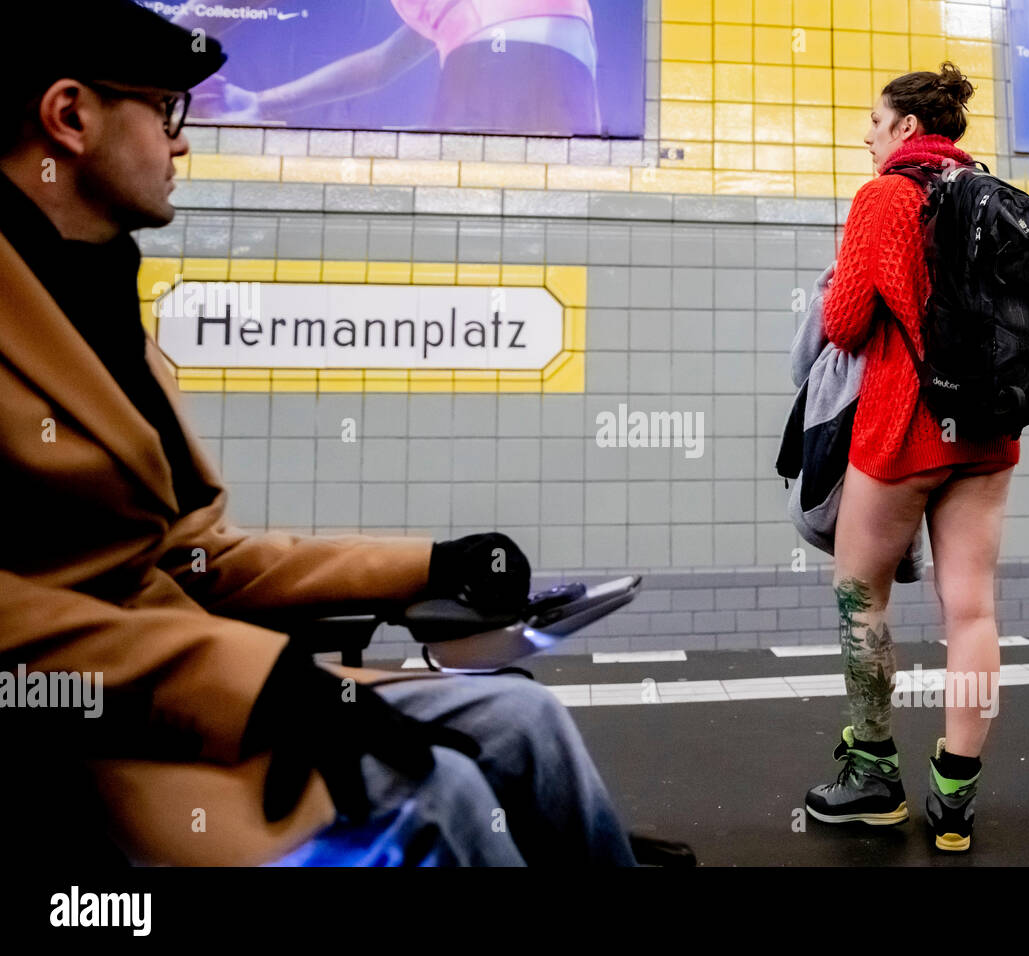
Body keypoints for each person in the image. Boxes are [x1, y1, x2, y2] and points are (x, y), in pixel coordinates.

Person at [0, 0, 634, 867]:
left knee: (525, 720)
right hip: (89, 727)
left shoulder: (103, 300)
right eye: (163, 111)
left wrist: (436, 563)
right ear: (69, 117)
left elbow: (193, 558)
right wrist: (252, 683)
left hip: (204, 679)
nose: (181, 142)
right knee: (433, 795)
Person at [802, 63, 1018, 853]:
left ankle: (872, 776)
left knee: (861, 598)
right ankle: (955, 797)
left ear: (903, 128)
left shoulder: (887, 196)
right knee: (973, 611)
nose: (864, 133)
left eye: (872, 118)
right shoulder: (996, 198)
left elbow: (848, 322)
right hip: (990, 433)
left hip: (906, 427)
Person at [183, 0, 602, 134]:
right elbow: (382, 64)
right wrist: (259, 103)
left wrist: (143, 56)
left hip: (513, 52)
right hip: (565, 63)